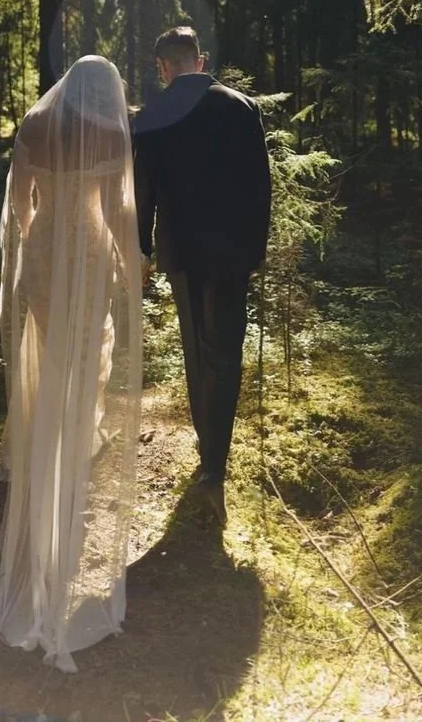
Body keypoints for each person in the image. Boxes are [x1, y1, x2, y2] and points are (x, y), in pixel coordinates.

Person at [0, 56, 143, 673]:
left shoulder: (33, 124)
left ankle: (45, 440)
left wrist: (38, 236)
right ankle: (73, 443)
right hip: (82, 255)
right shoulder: (110, 132)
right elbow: (116, 212)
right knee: (88, 356)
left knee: (50, 355)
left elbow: (20, 208)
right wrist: (130, 264)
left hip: (45, 255)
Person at [133, 27, 271, 525]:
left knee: (197, 352)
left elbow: (143, 190)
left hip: (184, 252)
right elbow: (261, 185)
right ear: (201, 58)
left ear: (163, 66)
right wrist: (256, 250)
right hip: (233, 251)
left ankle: (206, 455)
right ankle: (217, 463)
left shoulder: (153, 115)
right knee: (227, 353)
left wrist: (142, 246)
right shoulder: (242, 107)